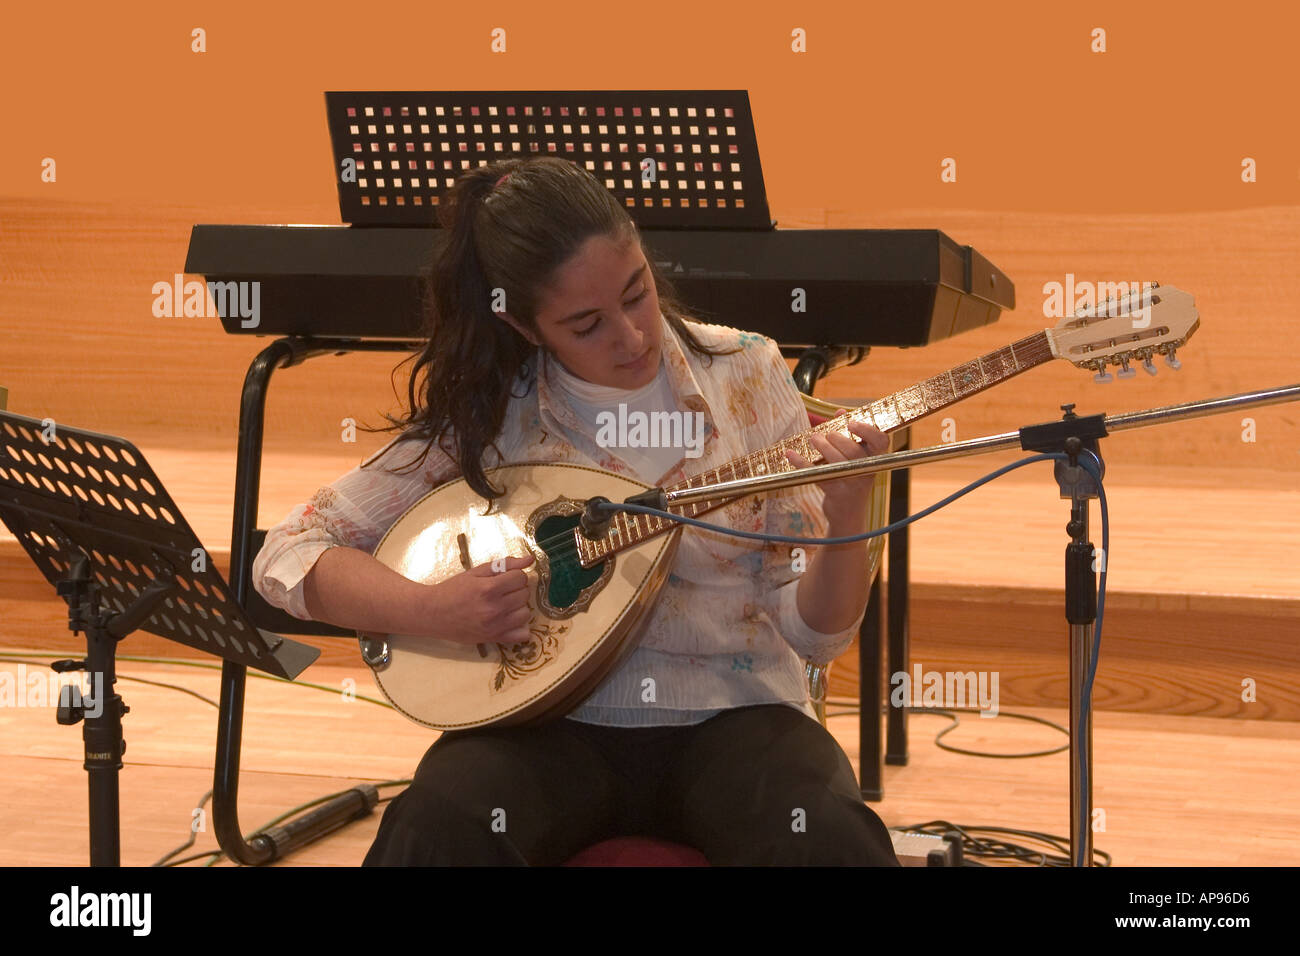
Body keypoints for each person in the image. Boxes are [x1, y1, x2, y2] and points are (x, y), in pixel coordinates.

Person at [251, 156, 900, 865]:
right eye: (586, 324)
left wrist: (846, 519)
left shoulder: (747, 370)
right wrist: (433, 610)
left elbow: (817, 639)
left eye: (637, 293)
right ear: (529, 330)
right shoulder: (496, 409)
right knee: (436, 827)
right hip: (549, 725)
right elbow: (290, 550)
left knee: (829, 837)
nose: (631, 336)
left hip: (737, 716)